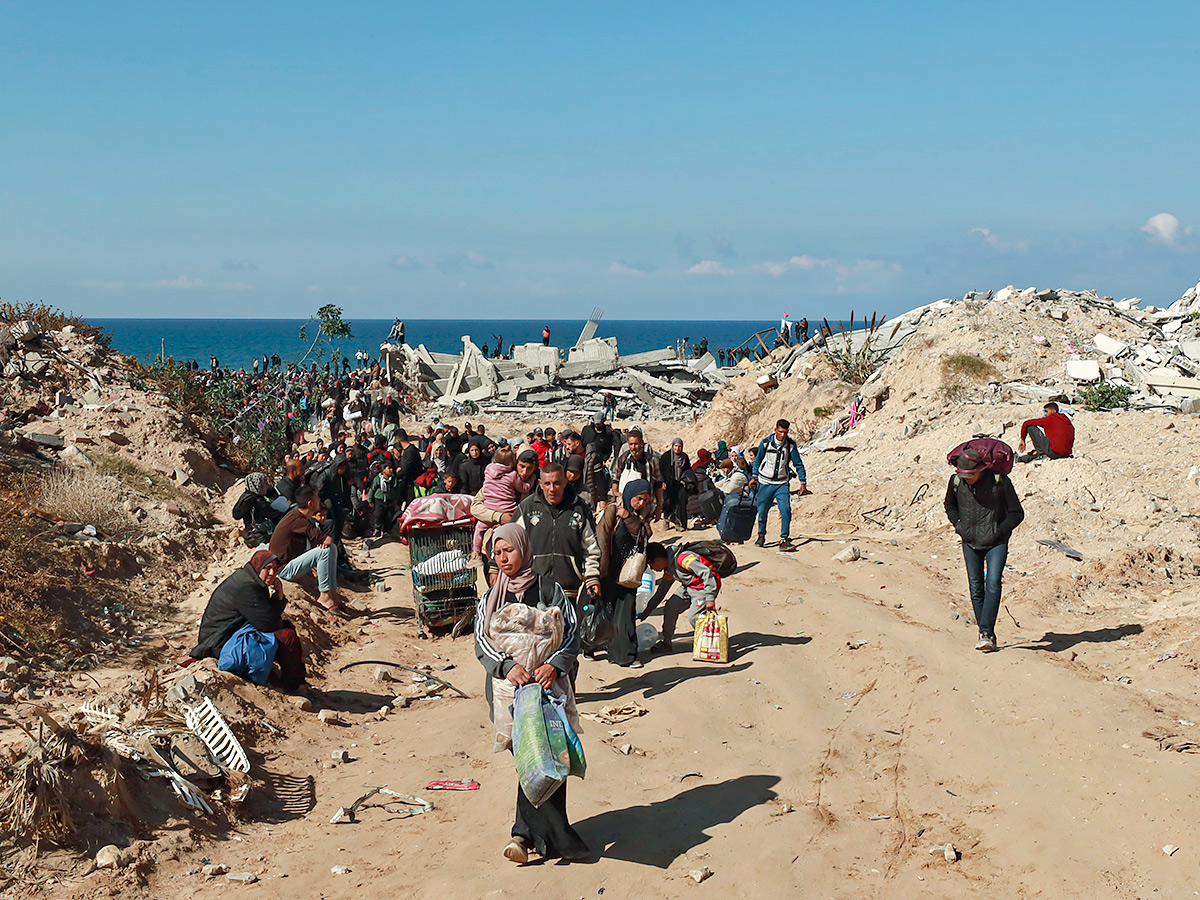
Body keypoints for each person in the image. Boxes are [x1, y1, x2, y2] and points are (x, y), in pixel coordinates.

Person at [474, 523, 589, 864]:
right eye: (497, 552)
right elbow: (482, 640)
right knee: (529, 758)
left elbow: (570, 635)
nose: (502, 558)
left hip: (549, 690)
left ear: (523, 549)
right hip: (510, 694)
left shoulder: (549, 589)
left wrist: (553, 665)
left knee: (554, 755)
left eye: (508, 550)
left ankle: (528, 836)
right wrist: (507, 666)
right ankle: (534, 836)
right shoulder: (491, 597)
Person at [187, 550, 313, 693]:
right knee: (286, 636)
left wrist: (277, 598)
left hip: (228, 633)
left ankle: (291, 680)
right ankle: (295, 686)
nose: (272, 573)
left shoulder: (252, 580)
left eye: (275, 569)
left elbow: (266, 617)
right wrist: (278, 599)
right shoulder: (247, 587)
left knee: (286, 627)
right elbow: (268, 624)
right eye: (268, 568)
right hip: (219, 642)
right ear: (258, 567)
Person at [943, 447, 1025, 652]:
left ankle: (986, 632)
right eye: (962, 475)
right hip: (970, 541)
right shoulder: (956, 483)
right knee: (976, 586)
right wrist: (959, 526)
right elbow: (949, 505)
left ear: (981, 470)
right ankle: (985, 633)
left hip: (996, 542)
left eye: (969, 475)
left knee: (994, 583)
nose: (965, 479)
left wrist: (998, 532)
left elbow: (1016, 513)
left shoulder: (999, 481)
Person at [513, 464, 601, 615]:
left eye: (557, 483)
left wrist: (592, 577)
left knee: (566, 635)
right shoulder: (527, 508)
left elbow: (591, 548)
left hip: (568, 590)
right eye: (547, 484)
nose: (552, 489)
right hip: (534, 588)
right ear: (540, 484)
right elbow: (510, 542)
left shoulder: (579, 509)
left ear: (565, 482)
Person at [596, 479, 654, 667]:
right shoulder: (613, 511)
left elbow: (644, 535)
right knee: (604, 611)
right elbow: (602, 538)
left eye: (646, 500)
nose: (642, 503)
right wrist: (600, 571)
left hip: (628, 573)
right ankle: (595, 646)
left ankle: (625, 655)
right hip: (608, 569)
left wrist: (630, 516)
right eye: (639, 499)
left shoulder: (638, 515)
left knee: (625, 613)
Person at [269, 485, 347, 614]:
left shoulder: (299, 517)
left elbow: (322, 541)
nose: (320, 501)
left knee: (331, 548)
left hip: (290, 562)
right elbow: (326, 539)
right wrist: (321, 543)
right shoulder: (298, 520)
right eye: (317, 499)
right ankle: (325, 596)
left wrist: (320, 543)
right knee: (325, 550)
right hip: (284, 568)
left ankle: (333, 593)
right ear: (310, 503)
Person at [639, 542, 721, 654]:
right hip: (689, 587)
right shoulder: (668, 568)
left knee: (694, 617)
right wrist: (648, 609)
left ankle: (712, 645)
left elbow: (706, 573)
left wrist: (710, 598)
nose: (652, 569)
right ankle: (666, 643)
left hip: (704, 589)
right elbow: (662, 590)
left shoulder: (683, 559)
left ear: (657, 560)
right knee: (670, 607)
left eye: (650, 565)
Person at [750, 419, 807, 551]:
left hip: (782, 483)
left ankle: (784, 539)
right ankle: (761, 535)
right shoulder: (766, 443)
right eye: (780, 432)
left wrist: (803, 482)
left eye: (785, 433)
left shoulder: (790, 445)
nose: (783, 435)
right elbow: (757, 461)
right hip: (765, 482)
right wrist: (754, 477)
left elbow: (798, 464)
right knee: (762, 511)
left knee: (786, 510)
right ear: (775, 430)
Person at [473, 449, 536, 554]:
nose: (524, 472)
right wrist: (499, 517)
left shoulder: (488, 471)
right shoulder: (511, 477)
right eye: (521, 466)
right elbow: (475, 508)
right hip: (493, 537)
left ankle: (475, 552)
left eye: (529, 468)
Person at [660, 438, 694, 531]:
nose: (677, 448)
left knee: (681, 503)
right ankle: (666, 519)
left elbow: (687, 469)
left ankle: (680, 524)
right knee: (668, 502)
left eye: (679, 446)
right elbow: (660, 470)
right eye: (676, 446)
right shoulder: (666, 457)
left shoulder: (684, 457)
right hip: (668, 483)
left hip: (680, 483)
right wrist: (662, 481)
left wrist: (686, 479)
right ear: (672, 446)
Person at [369, 459, 403, 536]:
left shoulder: (393, 479)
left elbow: (396, 489)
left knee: (388, 516)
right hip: (379, 500)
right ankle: (377, 529)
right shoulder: (378, 478)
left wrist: (396, 499)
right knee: (378, 515)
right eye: (389, 468)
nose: (391, 470)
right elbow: (372, 489)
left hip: (390, 500)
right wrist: (370, 500)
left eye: (392, 468)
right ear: (383, 470)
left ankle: (386, 531)